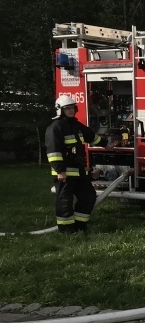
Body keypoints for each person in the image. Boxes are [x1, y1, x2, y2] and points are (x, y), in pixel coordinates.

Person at [45, 94, 112, 234]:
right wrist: (60, 171)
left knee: (88, 196)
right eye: (67, 108)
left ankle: (80, 225)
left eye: (72, 108)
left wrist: (106, 144)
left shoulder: (76, 125)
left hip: (79, 171)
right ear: (60, 110)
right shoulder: (55, 128)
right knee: (65, 202)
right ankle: (66, 230)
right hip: (64, 172)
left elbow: (91, 136)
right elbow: (53, 152)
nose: (70, 111)